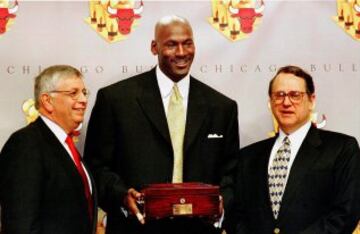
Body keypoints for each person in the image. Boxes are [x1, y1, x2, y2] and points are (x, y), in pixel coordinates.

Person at [84, 15, 239, 234]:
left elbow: (231, 173)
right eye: (171, 45)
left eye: (188, 43)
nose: (182, 52)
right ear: (154, 48)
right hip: (135, 228)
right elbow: (95, 166)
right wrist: (121, 195)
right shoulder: (116, 100)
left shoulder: (222, 107)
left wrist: (222, 202)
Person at [227, 65, 360, 234]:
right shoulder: (248, 157)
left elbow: (345, 214)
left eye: (295, 95)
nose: (286, 102)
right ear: (270, 102)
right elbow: (237, 215)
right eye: (279, 95)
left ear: (312, 100)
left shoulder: (342, 149)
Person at [0, 65, 97, 234]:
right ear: (47, 101)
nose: (83, 100)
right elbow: (20, 225)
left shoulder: (65, 145)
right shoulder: (25, 144)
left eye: (84, 92)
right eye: (73, 93)